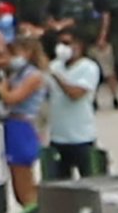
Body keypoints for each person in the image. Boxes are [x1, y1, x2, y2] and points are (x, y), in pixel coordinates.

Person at [38, 24, 100, 181]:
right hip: (58, 138)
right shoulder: (55, 65)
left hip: (82, 138)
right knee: (59, 187)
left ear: (79, 45)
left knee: (90, 182)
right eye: (60, 43)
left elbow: (75, 94)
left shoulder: (89, 68)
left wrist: (56, 76)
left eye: (67, 43)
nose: (62, 48)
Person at [0, 36, 46, 212]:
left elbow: (12, 97)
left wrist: (0, 88)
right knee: (17, 189)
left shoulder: (34, 76)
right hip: (11, 124)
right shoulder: (16, 74)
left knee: (25, 189)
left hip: (21, 127)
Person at [76, 0, 118, 109]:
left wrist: (103, 36)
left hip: (99, 39)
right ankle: (93, 99)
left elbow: (106, 17)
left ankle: (115, 96)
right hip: (85, 39)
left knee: (108, 70)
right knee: (88, 71)